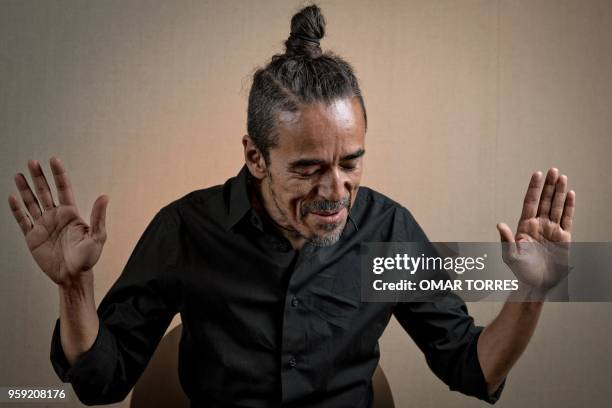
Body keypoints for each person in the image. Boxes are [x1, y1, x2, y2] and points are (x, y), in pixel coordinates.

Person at [7, 5, 576, 408]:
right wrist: (74, 288)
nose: (335, 190)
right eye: (308, 169)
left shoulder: (388, 232)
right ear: (256, 157)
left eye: (350, 162)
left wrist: (532, 293)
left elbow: (471, 368)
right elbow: (101, 382)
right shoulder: (186, 229)